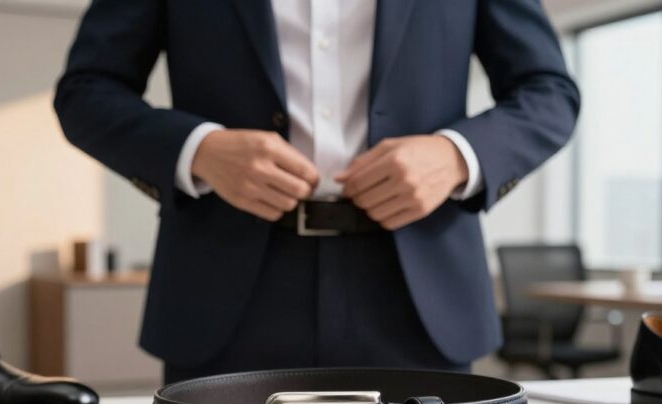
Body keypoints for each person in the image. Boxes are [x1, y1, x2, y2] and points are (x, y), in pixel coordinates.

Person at [55, 1, 579, 383]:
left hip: (418, 295)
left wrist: (455, 156)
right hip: (227, 291)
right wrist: (202, 150)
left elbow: (549, 92)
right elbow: (86, 92)